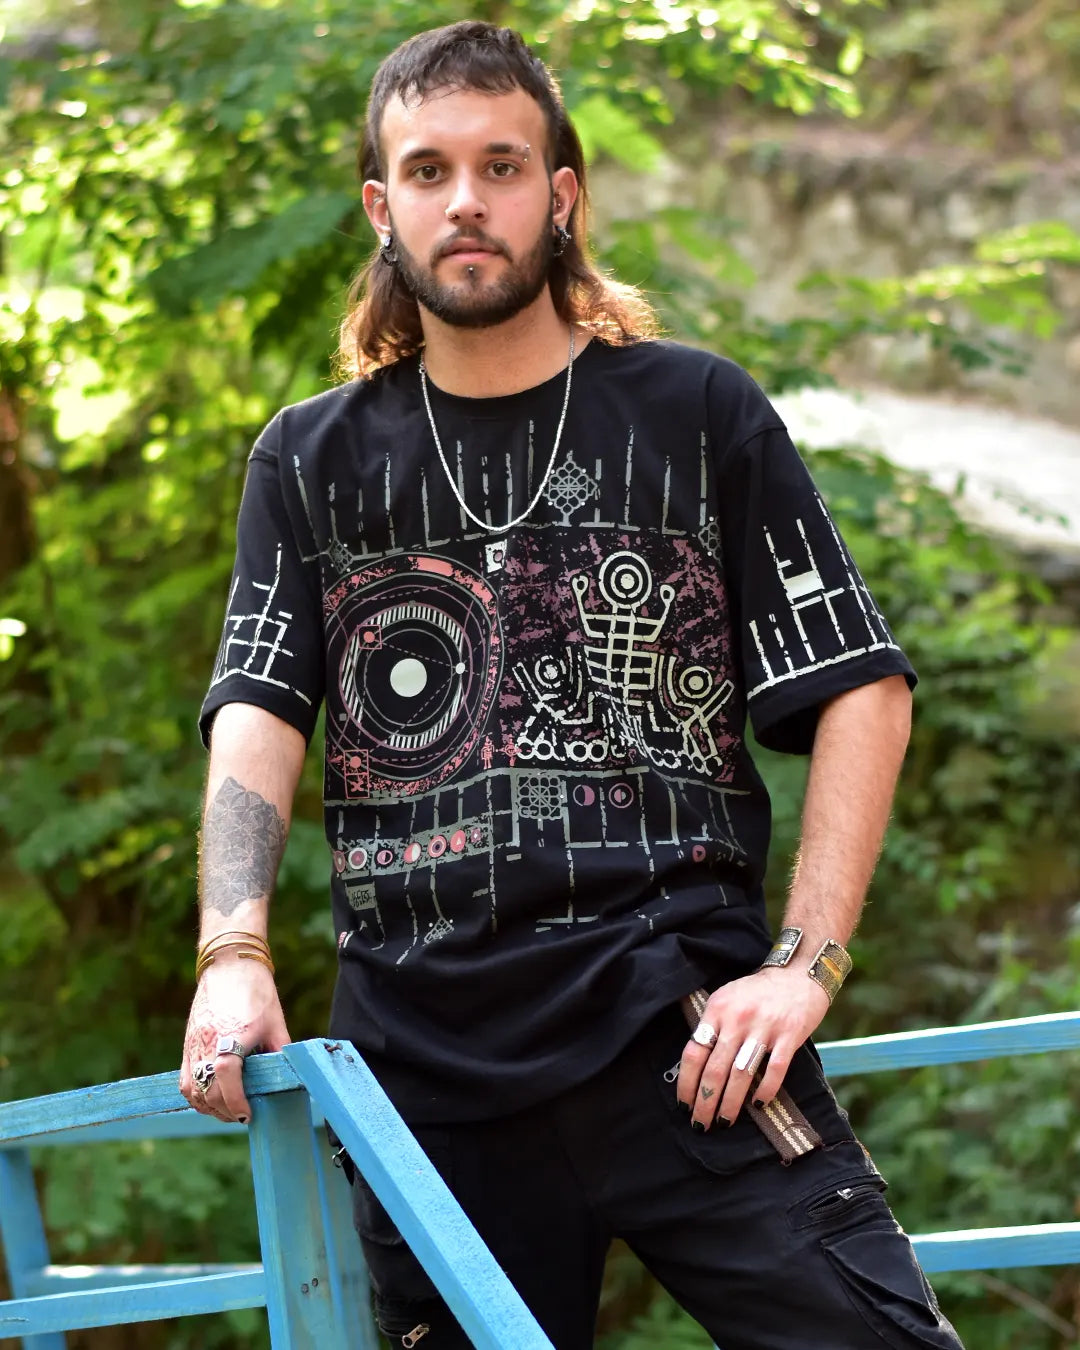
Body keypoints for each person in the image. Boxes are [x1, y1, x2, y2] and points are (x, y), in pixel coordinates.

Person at [181, 20, 965, 1350]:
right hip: (423, 1081)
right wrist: (232, 951)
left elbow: (862, 687)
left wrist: (806, 964)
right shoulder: (306, 459)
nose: (467, 200)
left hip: (690, 1044)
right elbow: (260, 704)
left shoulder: (696, 412)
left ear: (563, 193)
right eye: (429, 171)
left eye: (503, 164)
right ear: (384, 206)